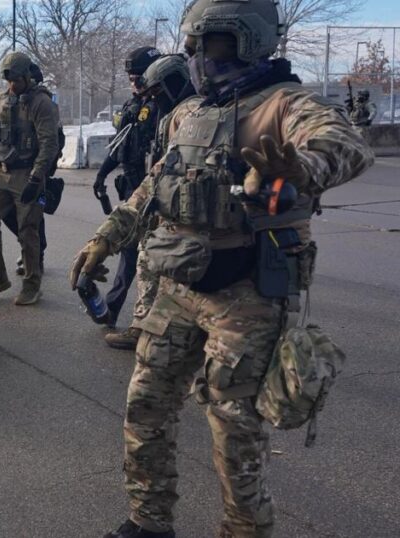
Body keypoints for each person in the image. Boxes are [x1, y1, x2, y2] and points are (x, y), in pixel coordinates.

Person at [66, 1, 374, 536]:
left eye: (206, 43)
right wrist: (105, 239)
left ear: (246, 41)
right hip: (179, 285)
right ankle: (148, 519)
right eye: (191, 45)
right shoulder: (190, 113)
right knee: (145, 408)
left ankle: (243, 529)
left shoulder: (285, 103)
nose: (194, 57)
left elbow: (344, 145)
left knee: (235, 432)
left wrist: (299, 169)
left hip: (248, 294)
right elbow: (152, 188)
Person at [102, 54, 196, 351]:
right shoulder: (158, 110)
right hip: (150, 190)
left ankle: (155, 326)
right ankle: (141, 324)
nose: (140, 87)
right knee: (143, 256)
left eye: (156, 90)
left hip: (181, 204)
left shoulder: (189, 112)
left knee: (150, 258)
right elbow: (134, 152)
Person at [0, 51, 60, 306]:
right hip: (1, 171)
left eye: (16, 80)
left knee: (28, 229)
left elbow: (49, 143)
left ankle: (32, 283)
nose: (12, 85)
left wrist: (37, 178)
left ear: (27, 76)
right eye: (8, 80)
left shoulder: (41, 103)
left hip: (27, 172)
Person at [90, 47, 161, 333]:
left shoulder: (166, 108)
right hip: (133, 187)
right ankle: (116, 311)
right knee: (131, 252)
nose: (134, 83)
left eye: (139, 77)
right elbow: (121, 145)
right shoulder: (134, 105)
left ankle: (145, 323)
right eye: (131, 78)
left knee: (151, 256)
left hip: (156, 190)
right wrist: (102, 174)